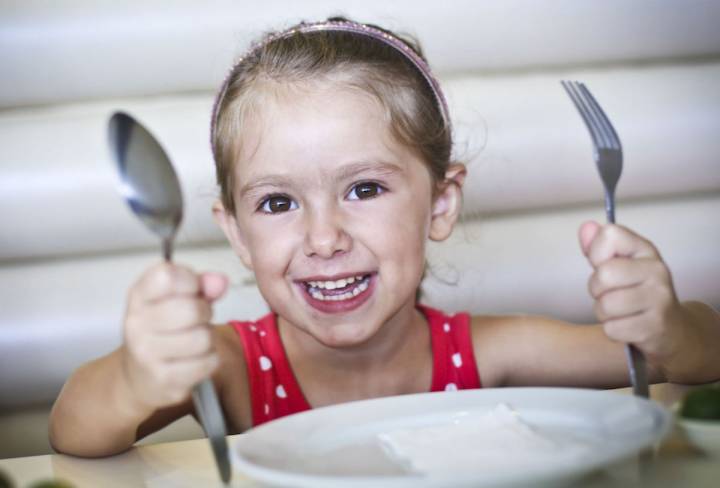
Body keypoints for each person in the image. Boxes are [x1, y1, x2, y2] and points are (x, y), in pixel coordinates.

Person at [49, 17, 720, 457]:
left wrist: (666, 327)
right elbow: (75, 429)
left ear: (441, 203)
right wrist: (139, 375)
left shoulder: (488, 352)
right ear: (238, 235)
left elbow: (695, 357)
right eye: (278, 202)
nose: (323, 237)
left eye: (364, 189)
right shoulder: (228, 367)